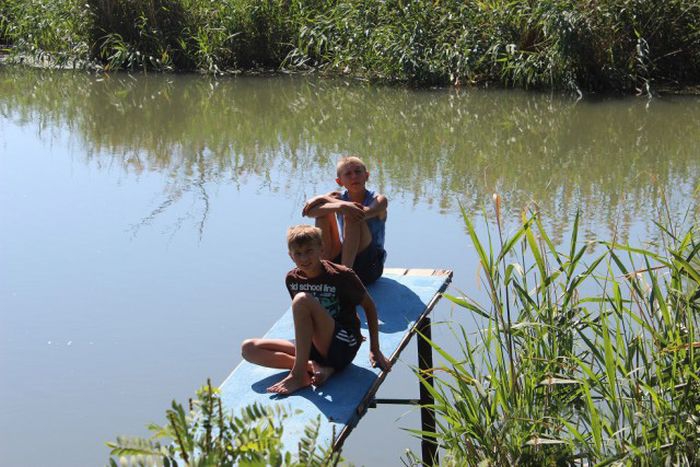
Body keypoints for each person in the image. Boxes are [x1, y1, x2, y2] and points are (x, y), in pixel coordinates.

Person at [241, 225, 391, 395]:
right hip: (314, 347)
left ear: (321, 248)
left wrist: (375, 349)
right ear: (290, 256)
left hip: (342, 344)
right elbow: (306, 319)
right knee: (249, 349)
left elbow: (369, 306)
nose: (304, 258)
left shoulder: (341, 275)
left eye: (309, 251)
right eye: (298, 253)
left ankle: (298, 375)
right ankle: (312, 367)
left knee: (301, 300)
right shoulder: (292, 279)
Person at [302, 156, 387, 285]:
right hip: (344, 257)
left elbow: (361, 212)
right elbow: (309, 212)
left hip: (370, 265)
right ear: (339, 181)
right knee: (323, 214)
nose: (354, 176)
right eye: (348, 174)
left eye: (358, 172)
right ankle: (326, 269)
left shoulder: (379, 200)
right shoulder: (339, 197)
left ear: (367, 175)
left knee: (352, 215)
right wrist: (339, 205)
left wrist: (324, 199)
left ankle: (344, 277)